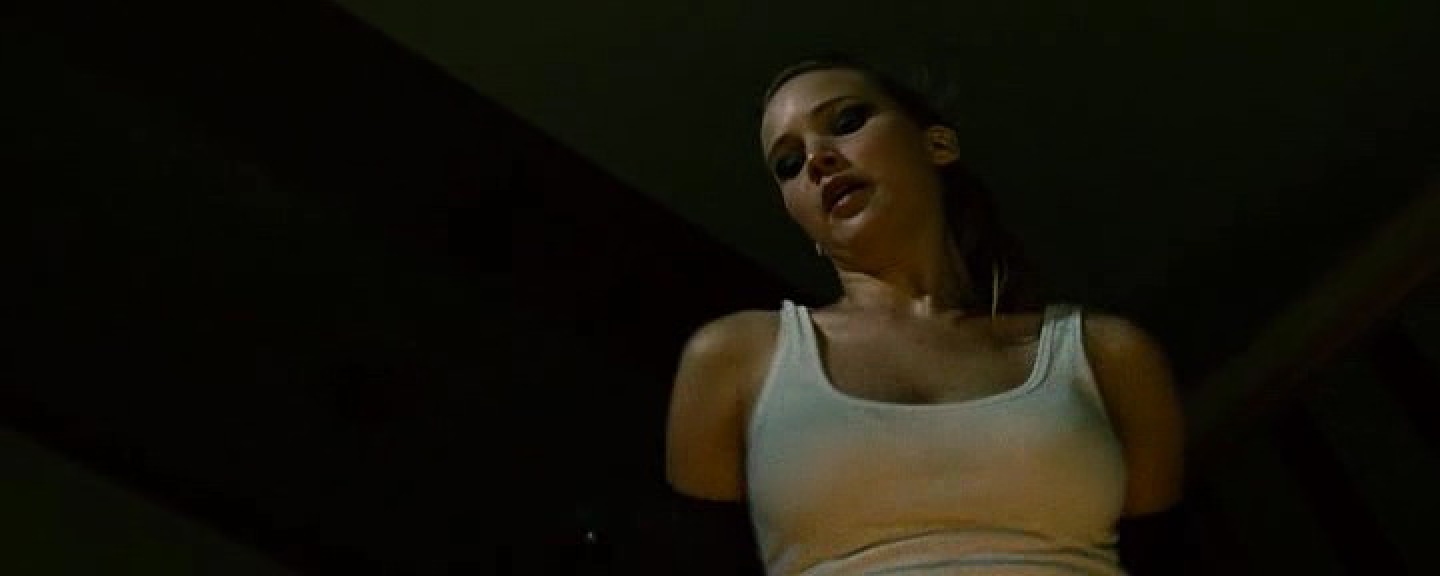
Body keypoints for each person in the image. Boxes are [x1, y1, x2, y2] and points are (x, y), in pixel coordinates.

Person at [664, 51, 1187, 576]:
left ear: (937, 144)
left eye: (845, 122)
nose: (817, 159)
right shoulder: (736, 359)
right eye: (788, 164)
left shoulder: (1107, 354)